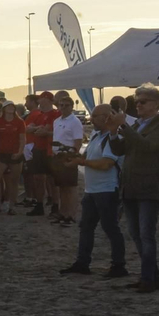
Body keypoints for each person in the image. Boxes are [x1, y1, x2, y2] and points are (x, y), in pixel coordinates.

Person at [108, 85, 159, 293]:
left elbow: (149, 147)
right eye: (136, 101)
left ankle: (149, 278)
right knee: (136, 234)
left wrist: (125, 129)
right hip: (131, 186)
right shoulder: (137, 124)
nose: (138, 105)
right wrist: (112, 132)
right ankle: (151, 277)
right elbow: (121, 149)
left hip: (149, 186)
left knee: (146, 235)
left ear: (156, 104)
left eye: (143, 102)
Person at [59, 104, 128, 277]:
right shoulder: (97, 135)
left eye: (95, 116)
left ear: (106, 117)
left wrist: (81, 163)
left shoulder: (113, 138)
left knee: (110, 228)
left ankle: (118, 265)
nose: (91, 119)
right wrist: (74, 159)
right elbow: (88, 156)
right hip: (93, 190)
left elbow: (106, 164)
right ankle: (83, 262)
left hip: (107, 189)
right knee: (86, 227)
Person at [49, 93, 84, 226]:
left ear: (71, 106)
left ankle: (71, 215)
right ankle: (63, 213)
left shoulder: (74, 122)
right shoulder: (57, 121)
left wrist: (73, 155)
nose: (63, 107)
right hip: (57, 156)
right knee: (62, 187)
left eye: (66, 105)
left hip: (68, 156)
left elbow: (78, 142)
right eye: (61, 105)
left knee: (71, 187)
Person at [23, 92, 58, 215]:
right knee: (38, 178)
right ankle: (39, 205)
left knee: (51, 179)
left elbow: (46, 129)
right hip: (38, 148)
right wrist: (38, 129)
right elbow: (28, 128)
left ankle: (55, 205)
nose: (39, 101)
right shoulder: (40, 115)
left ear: (46, 99)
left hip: (49, 149)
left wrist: (37, 129)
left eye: (41, 99)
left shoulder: (55, 114)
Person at [0, 101, 25, 214]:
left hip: (15, 154)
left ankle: (11, 206)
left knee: (13, 181)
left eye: (12, 106)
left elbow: (22, 139)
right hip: (2, 153)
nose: (10, 108)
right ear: (4, 109)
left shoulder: (19, 122)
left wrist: (19, 152)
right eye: (8, 106)